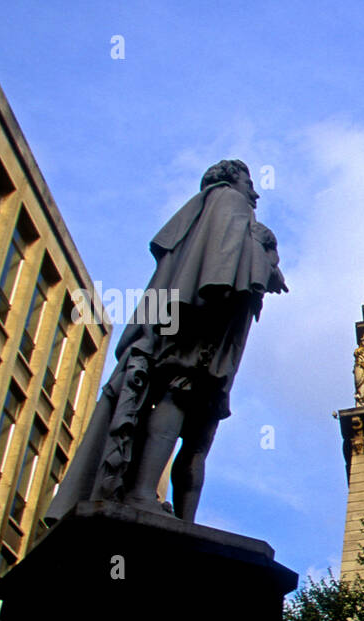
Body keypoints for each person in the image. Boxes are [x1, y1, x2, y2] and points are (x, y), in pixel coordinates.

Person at [47, 160, 286, 524]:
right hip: (200, 327)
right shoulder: (229, 202)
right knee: (182, 401)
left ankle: (156, 503)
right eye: (249, 182)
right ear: (231, 180)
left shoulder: (198, 215)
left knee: (188, 425)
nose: (254, 191)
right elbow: (223, 271)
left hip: (188, 325)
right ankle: (144, 493)